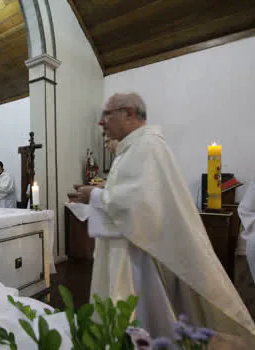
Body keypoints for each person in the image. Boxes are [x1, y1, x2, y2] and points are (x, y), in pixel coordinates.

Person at [70, 92, 255, 346]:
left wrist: (95, 195)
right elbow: (125, 195)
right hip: (128, 247)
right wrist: (96, 195)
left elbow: (139, 206)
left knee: (147, 321)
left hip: (140, 256)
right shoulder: (134, 148)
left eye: (108, 114)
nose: (102, 122)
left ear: (129, 114)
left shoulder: (148, 146)